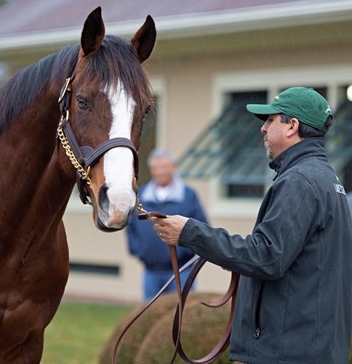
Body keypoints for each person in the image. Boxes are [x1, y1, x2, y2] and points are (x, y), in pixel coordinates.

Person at [150, 87, 352, 363]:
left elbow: (266, 257)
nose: (263, 129)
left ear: (292, 126)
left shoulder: (300, 181)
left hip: (285, 353)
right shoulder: (327, 179)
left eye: (271, 120)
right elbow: (289, 257)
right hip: (309, 348)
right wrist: (231, 257)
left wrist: (189, 232)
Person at [125, 148, 208, 301]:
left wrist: (187, 253)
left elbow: (202, 227)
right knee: (150, 317)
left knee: (179, 315)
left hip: (181, 271)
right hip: (150, 272)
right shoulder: (141, 195)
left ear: (173, 168)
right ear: (151, 170)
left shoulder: (188, 195)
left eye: (164, 167)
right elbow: (131, 227)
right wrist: (138, 250)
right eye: (156, 168)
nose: (160, 172)